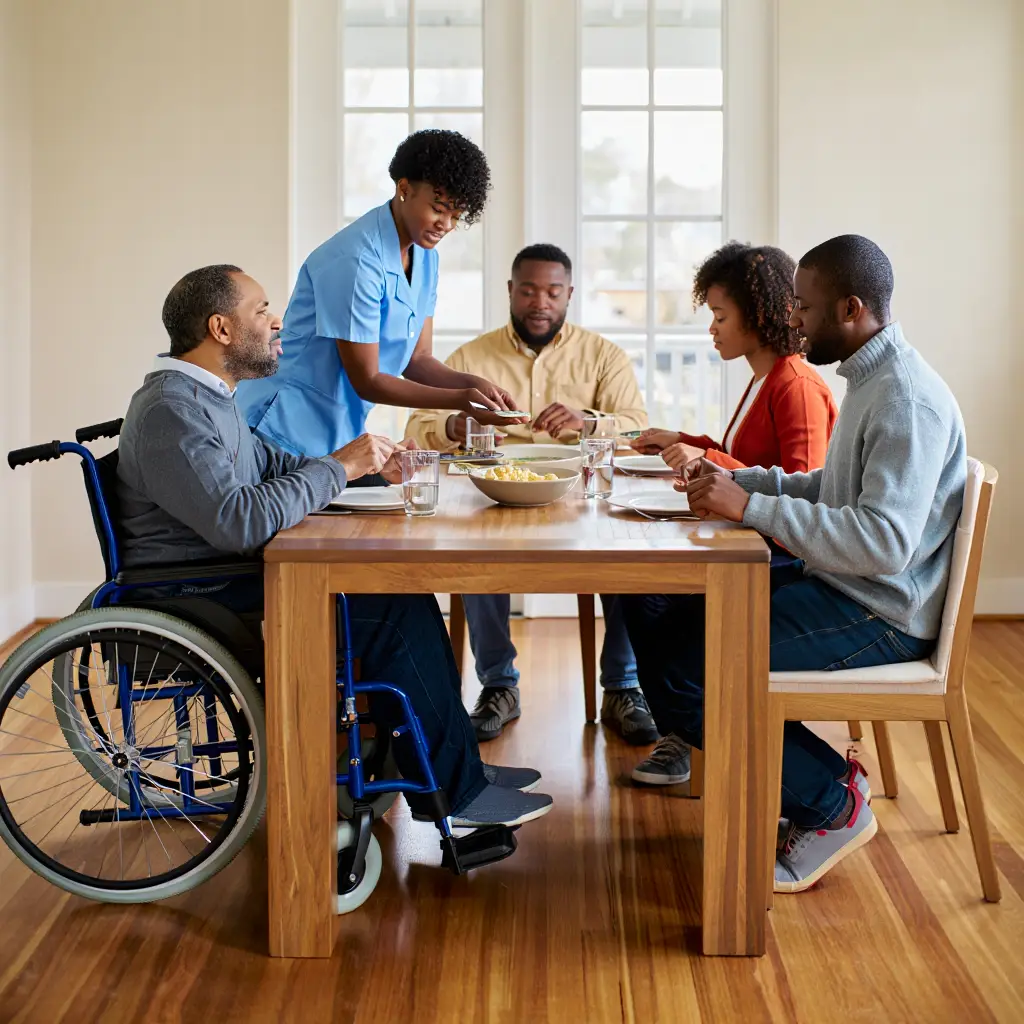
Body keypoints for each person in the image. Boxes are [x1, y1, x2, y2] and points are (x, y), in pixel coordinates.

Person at [116, 264, 553, 831]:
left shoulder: (208, 397)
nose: (277, 322)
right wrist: (340, 465)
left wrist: (365, 469)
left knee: (407, 594)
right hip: (200, 593)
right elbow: (239, 521)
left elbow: (272, 466)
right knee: (393, 610)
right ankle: (456, 793)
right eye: (262, 310)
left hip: (229, 576)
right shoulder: (174, 412)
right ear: (221, 329)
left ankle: (455, 767)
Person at [623, 235, 966, 893]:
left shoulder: (905, 400)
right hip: (850, 585)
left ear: (852, 308)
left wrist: (748, 508)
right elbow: (830, 493)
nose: (795, 320)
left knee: (688, 671)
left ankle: (835, 805)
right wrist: (744, 487)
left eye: (805, 307)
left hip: (882, 611)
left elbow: (883, 542)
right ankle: (814, 787)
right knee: (670, 637)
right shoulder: (873, 380)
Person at [405, 244, 654, 745]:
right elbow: (418, 425)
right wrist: (458, 423)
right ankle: (498, 683)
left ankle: (623, 686)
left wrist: (590, 422)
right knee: (474, 558)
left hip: (582, 499)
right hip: (492, 495)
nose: (540, 302)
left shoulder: (603, 355)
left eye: (553, 292)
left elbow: (638, 429)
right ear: (511, 292)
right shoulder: (470, 358)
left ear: (569, 295)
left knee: (630, 554)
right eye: (529, 290)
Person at [236, 130, 526, 457]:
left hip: (337, 431)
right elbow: (368, 380)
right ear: (404, 189)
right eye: (438, 208)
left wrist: (474, 386)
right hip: (280, 426)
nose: (445, 224)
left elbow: (418, 360)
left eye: (455, 216)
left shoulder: (426, 257)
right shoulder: (357, 260)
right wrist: (461, 400)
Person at [630, 242, 837, 476]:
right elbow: (739, 460)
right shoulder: (765, 379)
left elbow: (801, 491)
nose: (711, 328)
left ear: (757, 315)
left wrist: (706, 458)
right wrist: (678, 440)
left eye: (720, 317)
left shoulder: (797, 387)